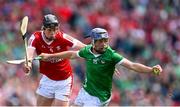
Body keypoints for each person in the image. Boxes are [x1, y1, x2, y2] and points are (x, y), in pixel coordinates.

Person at [39, 28, 163, 106]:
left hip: (99, 97)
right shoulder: (87, 51)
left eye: (105, 40)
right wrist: (51, 56)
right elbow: (71, 54)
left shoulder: (112, 55)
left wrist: (150, 69)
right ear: (93, 42)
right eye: (100, 41)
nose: (103, 44)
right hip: (85, 91)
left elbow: (132, 65)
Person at [24, 14, 86, 106]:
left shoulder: (62, 37)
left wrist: (103, 53)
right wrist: (28, 64)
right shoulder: (35, 38)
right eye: (50, 30)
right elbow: (29, 52)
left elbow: (83, 47)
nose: (53, 32)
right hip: (48, 79)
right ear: (43, 29)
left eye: (55, 29)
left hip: (64, 81)